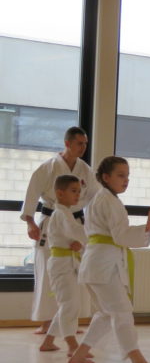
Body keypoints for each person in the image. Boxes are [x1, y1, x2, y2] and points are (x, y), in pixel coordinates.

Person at [68, 156, 150, 363]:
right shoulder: (108, 201)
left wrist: (146, 228)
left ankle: (80, 354)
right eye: (121, 175)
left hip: (97, 263)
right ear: (106, 177)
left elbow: (117, 235)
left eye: (127, 176)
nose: (126, 180)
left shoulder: (103, 199)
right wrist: (146, 228)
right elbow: (120, 236)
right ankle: (137, 361)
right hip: (103, 265)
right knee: (122, 311)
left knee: (105, 313)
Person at [20, 127, 96, 334]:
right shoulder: (49, 167)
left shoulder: (85, 170)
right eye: (79, 143)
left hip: (76, 222)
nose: (83, 147)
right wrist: (30, 223)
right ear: (67, 143)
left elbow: (95, 198)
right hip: (51, 222)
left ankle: (70, 320)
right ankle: (47, 322)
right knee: (47, 272)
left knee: (77, 271)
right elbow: (31, 195)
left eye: (85, 143)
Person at [38, 175, 87, 355]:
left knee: (70, 303)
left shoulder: (65, 213)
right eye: (73, 191)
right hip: (61, 264)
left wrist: (79, 243)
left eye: (79, 191)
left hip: (67, 262)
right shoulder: (61, 213)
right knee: (69, 304)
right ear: (59, 193)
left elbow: (71, 236)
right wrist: (94, 233)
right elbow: (74, 231)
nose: (77, 195)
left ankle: (48, 341)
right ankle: (72, 344)